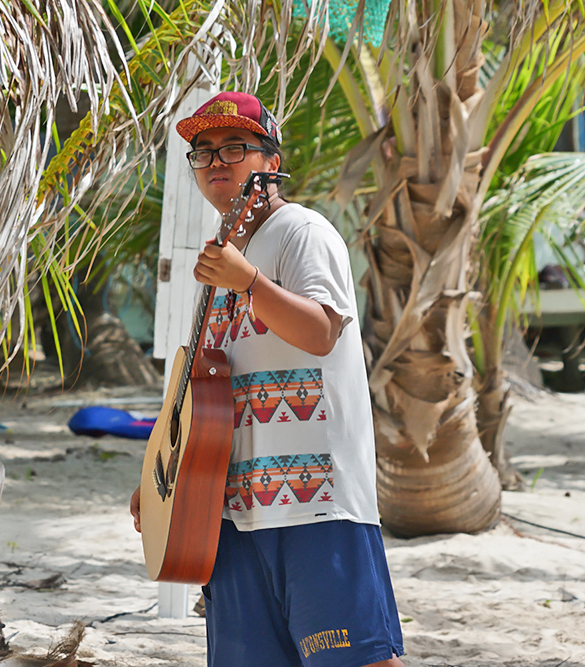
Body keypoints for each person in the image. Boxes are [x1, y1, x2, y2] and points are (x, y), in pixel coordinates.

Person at [130, 91, 405, 667]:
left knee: (357, 661)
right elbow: (200, 391)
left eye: (235, 147)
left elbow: (321, 332)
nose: (216, 161)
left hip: (315, 501)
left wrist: (250, 281)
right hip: (229, 509)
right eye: (203, 152)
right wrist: (164, 479)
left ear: (271, 162)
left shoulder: (302, 232)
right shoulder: (219, 261)